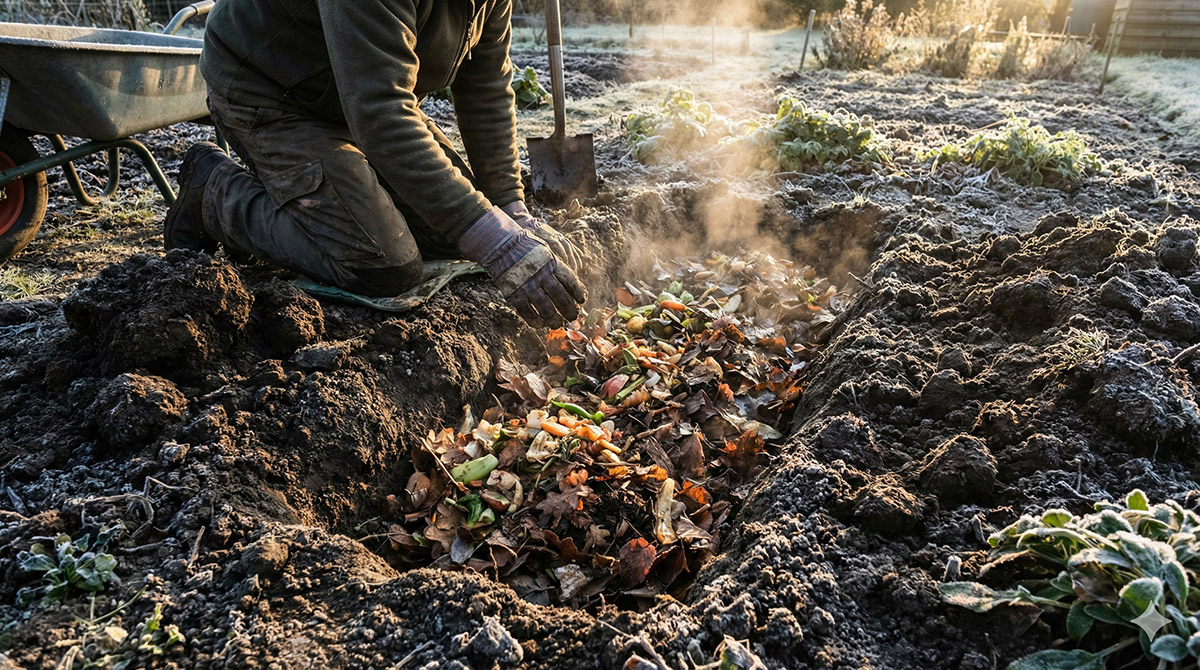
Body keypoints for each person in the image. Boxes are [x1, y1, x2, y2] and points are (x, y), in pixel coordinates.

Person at [164, 0, 587, 327]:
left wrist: (510, 208)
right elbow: (381, 111)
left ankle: (336, 182)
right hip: (273, 91)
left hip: (356, 96)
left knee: (450, 232)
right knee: (384, 263)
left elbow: (487, 88)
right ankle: (213, 192)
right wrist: (495, 240)